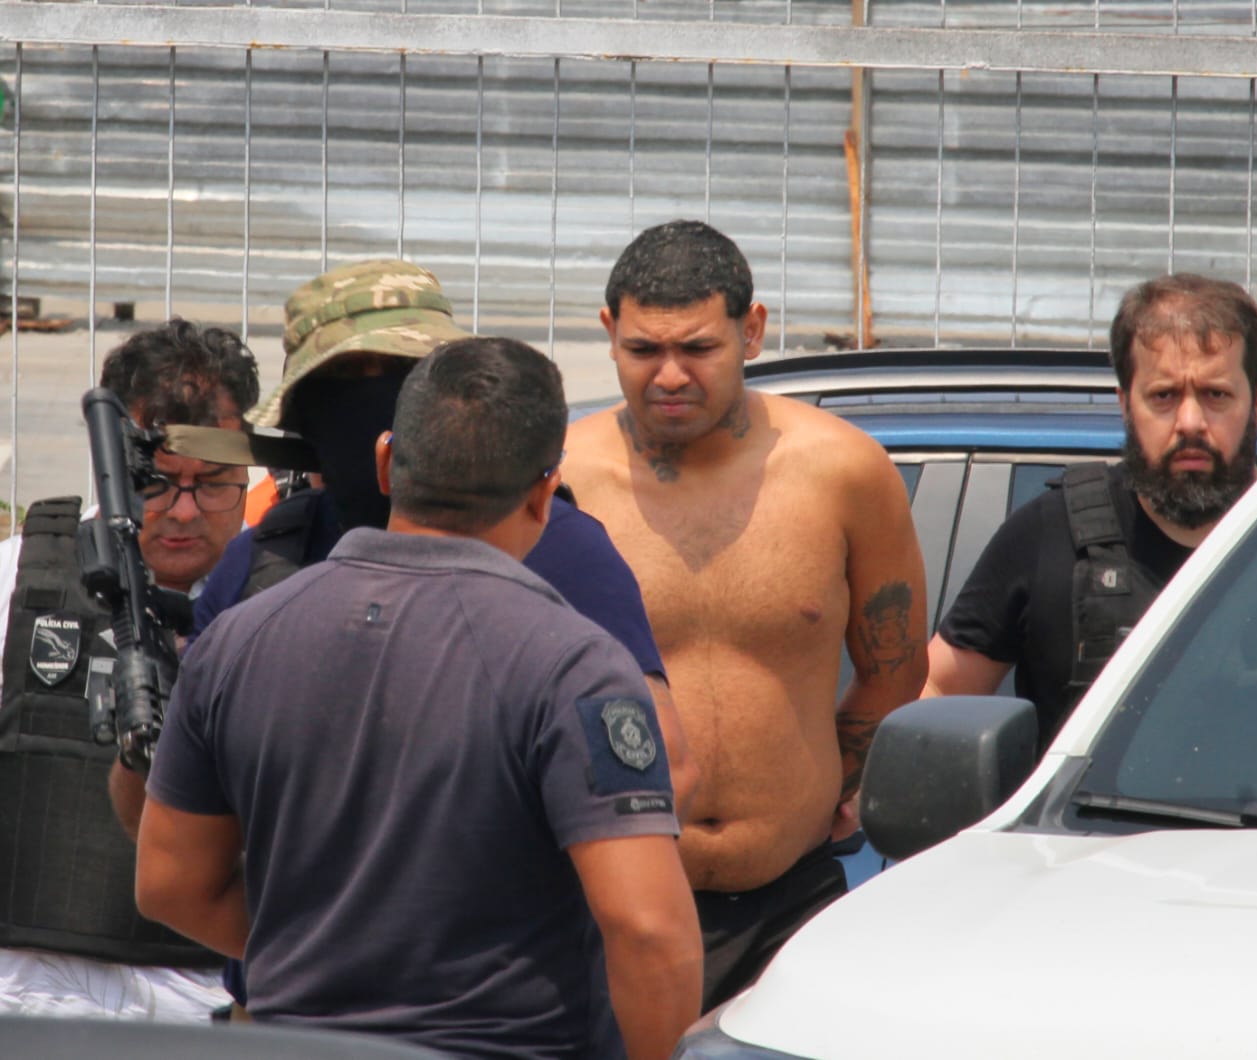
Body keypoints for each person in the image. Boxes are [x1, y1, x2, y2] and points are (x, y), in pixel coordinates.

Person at [135, 336, 702, 1059]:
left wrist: (332, 952)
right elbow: (649, 929)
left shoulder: (237, 640)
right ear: (542, 491)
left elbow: (169, 882)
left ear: (385, 462)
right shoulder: (577, 664)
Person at [564, 219, 928, 1011]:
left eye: (698, 349)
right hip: (608, 898)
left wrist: (834, 788)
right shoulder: (561, 480)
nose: (669, 375)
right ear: (608, 335)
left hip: (793, 900)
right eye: (642, 351)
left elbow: (895, 669)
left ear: (751, 330)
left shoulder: (843, 471)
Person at [184, 258, 694, 815]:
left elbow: (659, 764)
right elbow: (179, 823)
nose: (372, 406)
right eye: (345, 381)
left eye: (399, 373)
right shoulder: (266, 558)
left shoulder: (555, 545)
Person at [0, 319, 257, 1019]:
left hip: (200, 1003)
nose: (182, 512)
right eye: (158, 482)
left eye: (212, 485)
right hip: (30, 999)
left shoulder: (284, 605)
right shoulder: (18, 578)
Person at [923, 272, 1257, 747]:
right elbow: (937, 692)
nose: (1191, 423)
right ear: (1125, 405)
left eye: (1216, 395)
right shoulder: (1050, 534)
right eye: (1164, 396)